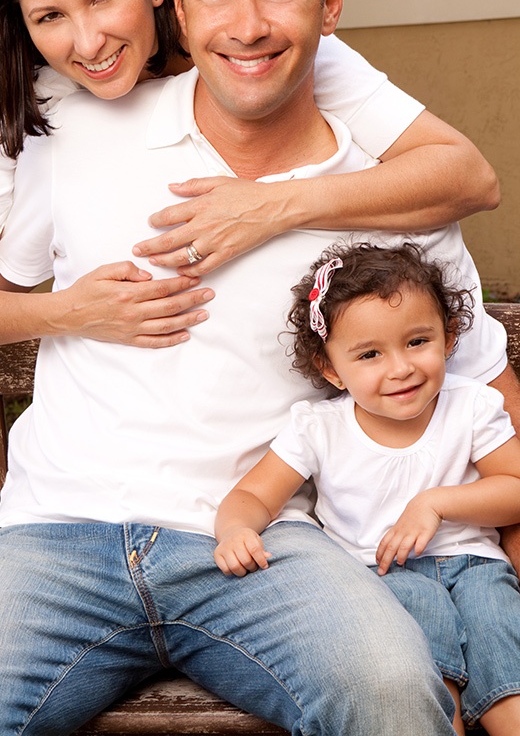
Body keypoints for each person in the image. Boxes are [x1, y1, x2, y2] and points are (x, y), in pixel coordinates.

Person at [0, 0, 512, 735]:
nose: (247, 26)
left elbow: (483, 363)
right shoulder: (55, 119)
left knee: (389, 688)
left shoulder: (390, 196)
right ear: (183, 5)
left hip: (264, 536)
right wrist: (68, 311)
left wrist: (272, 203)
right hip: (55, 536)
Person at [0, 0, 501, 354]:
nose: (89, 41)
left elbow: (467, 178)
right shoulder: (25, 98)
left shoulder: (258, 50)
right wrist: (68, 312)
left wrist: (272, 206)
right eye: (49, 16)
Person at [214, 242, 520, 734]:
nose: (400, 368)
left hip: (479, 571)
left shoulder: (471, 406)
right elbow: (252, 496)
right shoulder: (318, 427)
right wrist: (235, 530)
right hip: (382, 579)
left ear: (449, 336)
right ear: (331, 368)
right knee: (434, 692)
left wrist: (435, 503)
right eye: (370, 354)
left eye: (418, 342)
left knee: (508, 681)